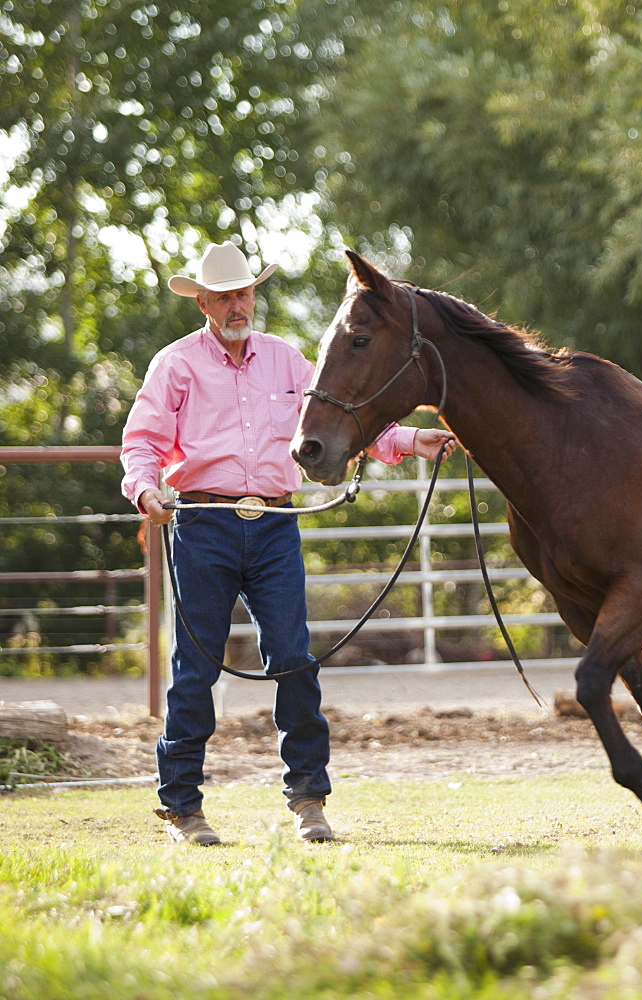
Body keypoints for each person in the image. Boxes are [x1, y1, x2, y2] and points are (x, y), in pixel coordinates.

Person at [121, 241, 456, 845]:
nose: (236, 305)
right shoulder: (174, 365)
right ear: (202, 302)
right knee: (194, 669)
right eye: (223, 296)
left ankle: (308, 798)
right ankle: (182, 806)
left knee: (294, 660)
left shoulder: (287, 360)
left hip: (274, 524)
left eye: (243, 293)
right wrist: (146, 490)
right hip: (202, 523)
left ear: (253, 296)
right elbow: (142, 442)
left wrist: (410, 440)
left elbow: (340, 417)